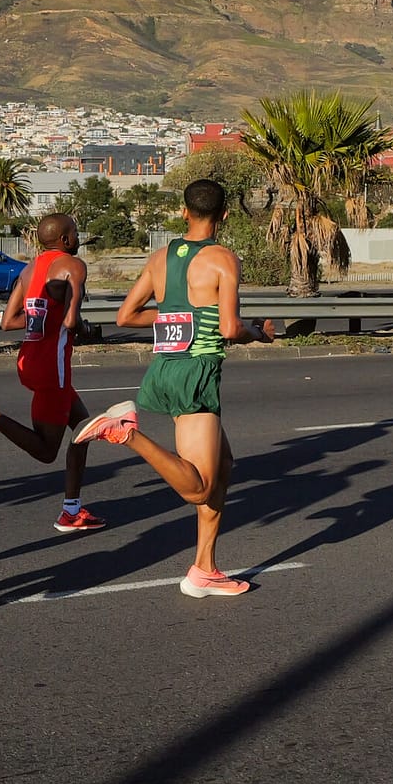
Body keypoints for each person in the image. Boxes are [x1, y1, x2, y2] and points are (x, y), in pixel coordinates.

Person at [76, 178, 275, 598]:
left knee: (222, 469)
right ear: (224, 215)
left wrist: (175, 314)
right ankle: (126, 433)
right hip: (196, 370)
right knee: (200, 487)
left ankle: (205, 569)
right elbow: (227, 328)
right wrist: (257, 332)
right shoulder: (223, 259)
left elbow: (126, 316)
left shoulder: (161, 257)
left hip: (165, 368)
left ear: (185, 212)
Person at [0, 212, 104, 532]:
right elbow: (71, 321)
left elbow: (8, 322)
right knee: (46, 451)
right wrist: (80, 326)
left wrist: (41, 323)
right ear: (67, 239)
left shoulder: (30, 270)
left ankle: (72, 508)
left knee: (83, 428)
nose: (77, 238)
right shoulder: (73, 266)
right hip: (52, 368)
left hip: (30, 359)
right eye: (74, 232)